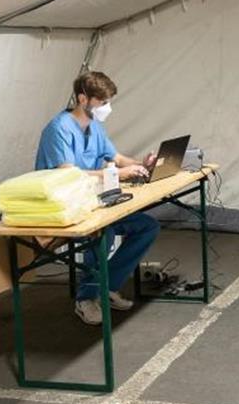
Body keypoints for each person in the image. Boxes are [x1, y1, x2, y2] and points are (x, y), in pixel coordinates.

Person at [35, 71, 159, 325]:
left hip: (93, 201)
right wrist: (113, 173)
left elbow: (116, 157)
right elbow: (67, 174)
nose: (107, 108)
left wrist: (140, 164)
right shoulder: (59, 129)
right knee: (104, 234)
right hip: (64, 206)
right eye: (103, 103)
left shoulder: (94, 127)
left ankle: (107, 286)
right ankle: (86, 298)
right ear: (83, 99)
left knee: (147, 227)